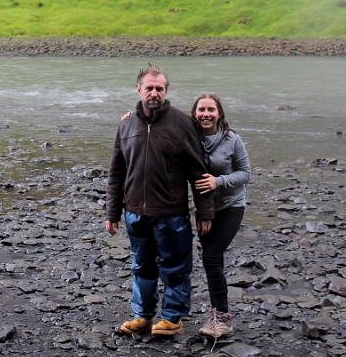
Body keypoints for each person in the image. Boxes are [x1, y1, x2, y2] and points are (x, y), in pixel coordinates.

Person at [106, 65, 214, 337]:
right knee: (141, 266)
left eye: (159, 88)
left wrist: (205, 212)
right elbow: (117, 172)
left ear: (166, 91)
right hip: (135, 211)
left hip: (171, 212)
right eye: (149, 88)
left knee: (175, 267)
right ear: (138, 89)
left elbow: (198, 171)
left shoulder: (182, 123)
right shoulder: (126, 124)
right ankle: (142, 316)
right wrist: (112, 212)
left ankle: (172, 318)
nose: (154, 93)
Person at [190, 93, 251, 338]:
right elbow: (164, 123)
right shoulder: (189, 137)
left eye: (211, 110)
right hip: (205, 209)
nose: (206, 114)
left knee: (211, 258)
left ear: (219, 113)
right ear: (194, 113)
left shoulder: (232, 139)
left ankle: (223, 317)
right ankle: (217, 313)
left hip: (232, 206)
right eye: (201, 110)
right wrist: (133, 117)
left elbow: (246, 174)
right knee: (214, 261)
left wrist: (219, 181)